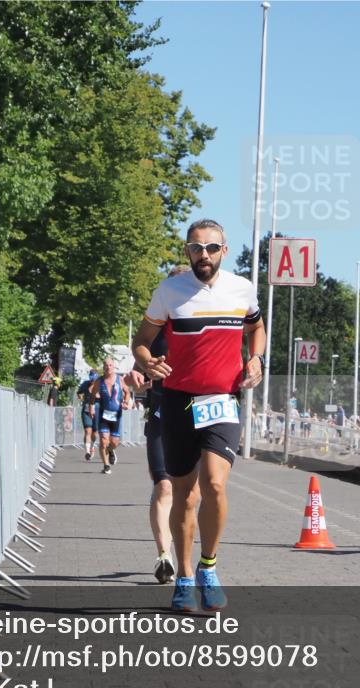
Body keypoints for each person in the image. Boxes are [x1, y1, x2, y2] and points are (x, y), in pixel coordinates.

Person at [132, 218, 265, 612]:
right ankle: (185, 577)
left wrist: (255, 359)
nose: (202, 255)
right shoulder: (170, 291)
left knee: (216, 485)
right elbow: (140, 341)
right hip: (177, 402)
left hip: (222, 400)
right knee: (185, 496)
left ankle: (209, 567)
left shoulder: (241, 289)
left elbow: (257, 327)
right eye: (194, 248)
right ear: (187, 251)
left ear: (224, 250)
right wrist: (148, 361)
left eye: (210, 248)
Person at [125, 265, 194, 584]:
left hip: (196, 417)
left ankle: (189, 560)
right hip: (162, 415)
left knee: (192, 494)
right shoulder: (155, 328)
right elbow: (135, 372)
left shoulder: (201, 325)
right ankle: (164, 555)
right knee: (164, 486)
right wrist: (136, 377)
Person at [89, 358, 132, 475]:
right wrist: (91, 407)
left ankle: (111, 450)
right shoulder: (99, 381)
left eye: (110, 365)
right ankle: (106, 465)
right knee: (103, 441)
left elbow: (127, 392)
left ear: (114, 367)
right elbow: (92, 396)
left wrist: (126, 402)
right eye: (106, 365)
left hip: (116, 416)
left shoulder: (119, 379)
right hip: (103, 416)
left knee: (114, 443)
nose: (108, 367)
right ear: (103, 367)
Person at [77, 368, 98, 460]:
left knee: (95, 434)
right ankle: (87, 452)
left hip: (97, 410)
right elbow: (79, 393)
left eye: (93, 376)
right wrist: (82, 400)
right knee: (87, 431)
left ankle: (92, 446)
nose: (92, 378)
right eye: (91, 375)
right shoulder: (85, 384)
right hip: (86, 410)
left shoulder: (100, 384)